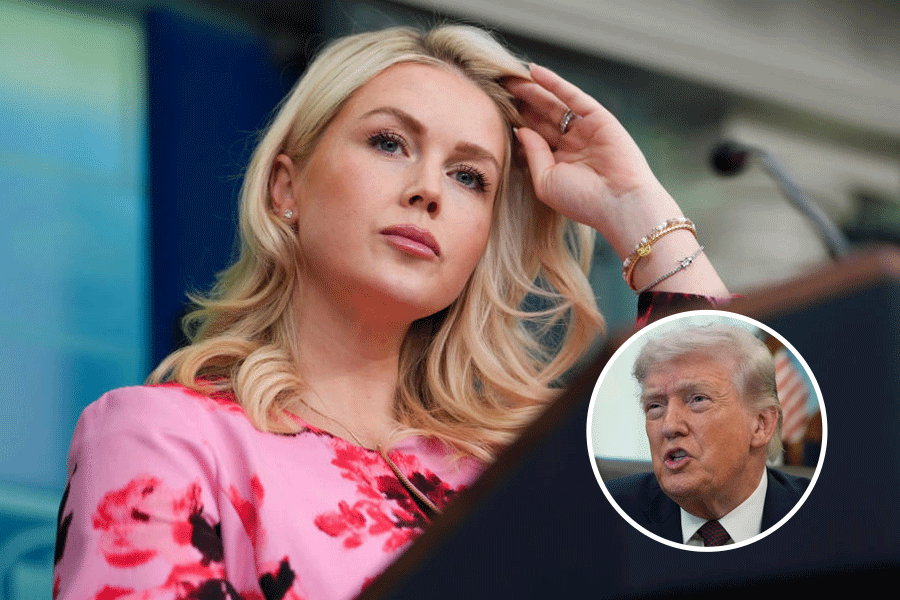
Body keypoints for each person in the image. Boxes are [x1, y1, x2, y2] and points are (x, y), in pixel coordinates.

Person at [53, 24, 728, 599]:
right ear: (287, 188)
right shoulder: (165, 439)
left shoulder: (525, 475)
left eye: (470, 177)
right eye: (388, 143)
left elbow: (741, 504)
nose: (428, 190)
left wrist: (638, 206)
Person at [606, 323, 810, 547]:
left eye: (698, 399)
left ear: (761, 425)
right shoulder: (604, 515)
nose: (669, 426)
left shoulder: (827, 516)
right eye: (655, 406)